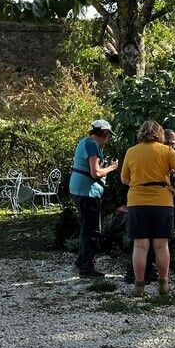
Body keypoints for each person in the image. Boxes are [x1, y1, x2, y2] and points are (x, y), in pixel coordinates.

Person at [121, 120, 175, 297]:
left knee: (140, 245)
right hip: (162, 201)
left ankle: (139, 286)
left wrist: (138, 183)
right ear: (159, 134)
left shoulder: (132, 151)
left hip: (137, 202)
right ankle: (164, 284)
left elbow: (124, 179)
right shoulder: (166, 150)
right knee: (161, 244)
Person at [69, 119, 119, 278]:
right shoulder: (92, 145)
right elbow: (95, 173)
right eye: (108, 136)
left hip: (80, 189)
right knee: (92, 230)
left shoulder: (85, 141)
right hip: (88, 192)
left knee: (86, 227)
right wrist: (111, 167)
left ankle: (81, 260)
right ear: (104, 134)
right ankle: (87, 268)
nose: (108, 140)